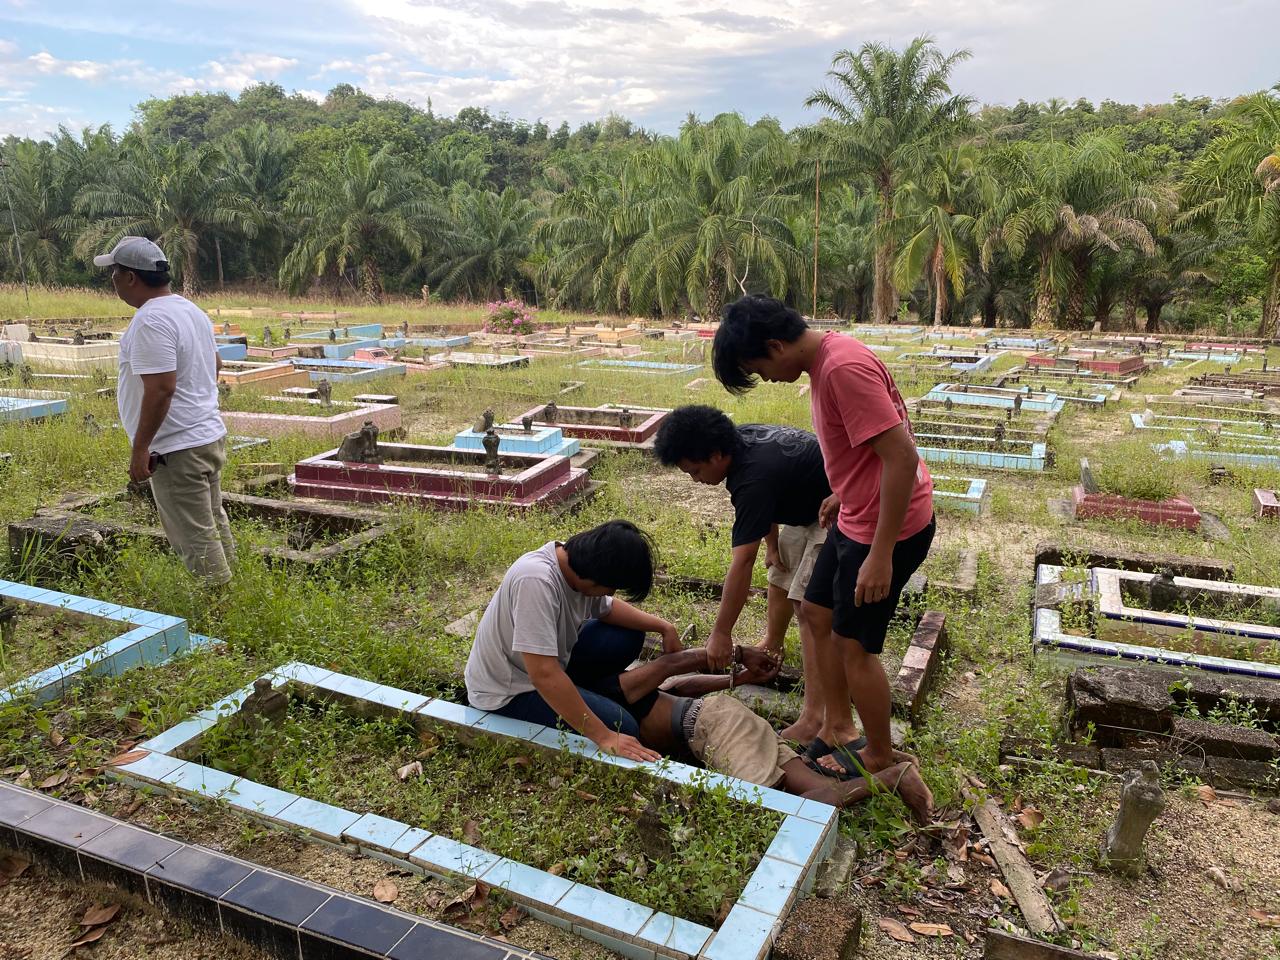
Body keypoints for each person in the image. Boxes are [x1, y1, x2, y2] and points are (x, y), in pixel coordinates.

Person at [712, 296, 935, 779]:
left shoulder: (841, 369)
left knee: (854, 646)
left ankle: (877, 752)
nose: (765, 379)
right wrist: (844, 491)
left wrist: (880, 555)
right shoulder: (828, 361)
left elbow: (902, 457)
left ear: (775, 345)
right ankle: (834, 725)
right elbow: (870, 446)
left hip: (884, 531)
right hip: (856, 514)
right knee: (814, 610)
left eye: (759, 368)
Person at [653, 404, 832, 743]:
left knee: (810, 609)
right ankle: (774, 642)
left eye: (695, 470)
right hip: (807, 504)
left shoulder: (750, 477)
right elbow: (770, 498)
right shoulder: (741, 440)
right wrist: (773, 543)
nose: (696, 480)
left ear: (716, 454)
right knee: (780, 575)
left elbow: (742, 561)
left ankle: (815, 717)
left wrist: (721, 633)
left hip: (840, 507)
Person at [464, 520, 685, 762]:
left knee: (628, 634)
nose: (610, 593)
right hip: (508, 692)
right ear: (595, 576)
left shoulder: (575, 565)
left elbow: (608, 609)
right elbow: (543, 675)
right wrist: (604, 737)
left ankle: (577, 693)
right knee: (623, 727)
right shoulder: (536, 581)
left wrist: (665, 627)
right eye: (611, 587)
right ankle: (577, 697)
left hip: (548, 665)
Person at [97, 237, 235, 586]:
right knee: (212, 521)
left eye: (114, 272)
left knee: (195, 537)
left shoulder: (150, 320)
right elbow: (215, 365)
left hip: (177, 449)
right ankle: (234, 587)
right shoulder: (190, 310)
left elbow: (161, 388)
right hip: (206, 436)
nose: (111, 280)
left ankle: (218, 612)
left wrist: (141, 448)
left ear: (130, 277)